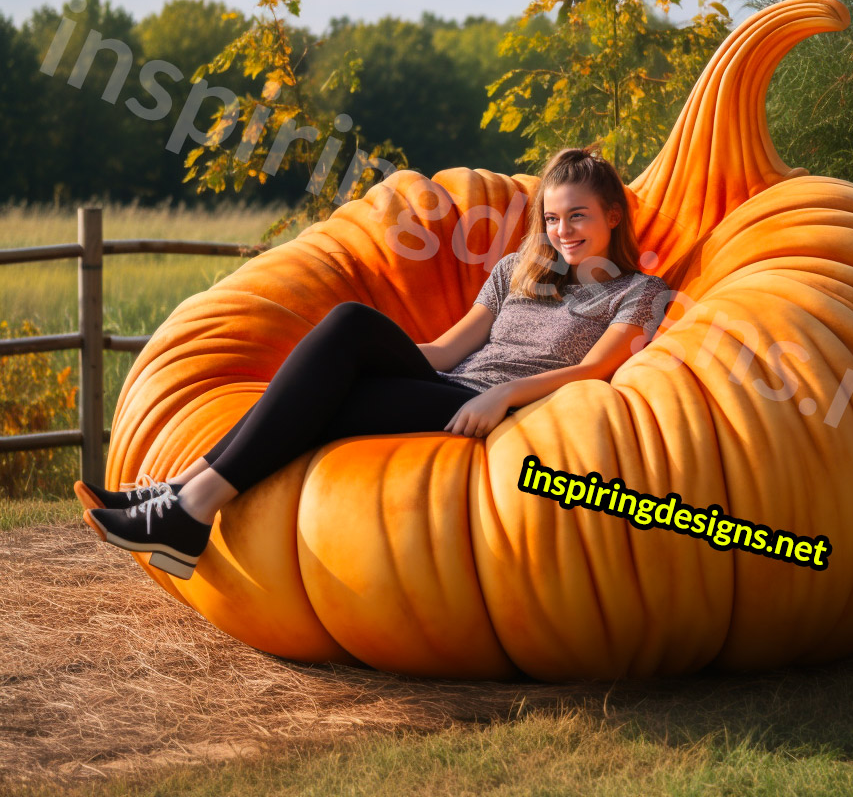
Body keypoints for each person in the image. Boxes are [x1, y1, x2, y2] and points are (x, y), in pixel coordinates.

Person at [78, 144, 671, 580]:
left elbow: (593, 370)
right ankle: (181, 499)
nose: (561, 231)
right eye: (551, 217)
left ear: (612, 216)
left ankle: (185, 505)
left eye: (578, 216)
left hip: (491, 407)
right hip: (447, 384)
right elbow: (443, 351)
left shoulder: (638, 291)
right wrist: (326, 366)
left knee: (346, 346)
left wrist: (504, 396)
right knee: (341, 342)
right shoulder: (517, 272)